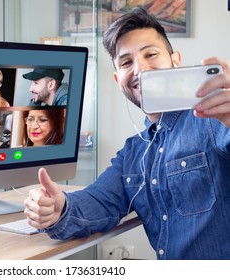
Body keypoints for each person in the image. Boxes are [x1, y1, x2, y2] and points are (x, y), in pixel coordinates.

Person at [24, 7, 230, 260]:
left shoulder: (216, 121)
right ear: (117, 78)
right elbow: (99, 200)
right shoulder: (133, 153)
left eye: (151, 54)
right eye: (126, 62)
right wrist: (60, 208)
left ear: (176, 61)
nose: (140, 69)